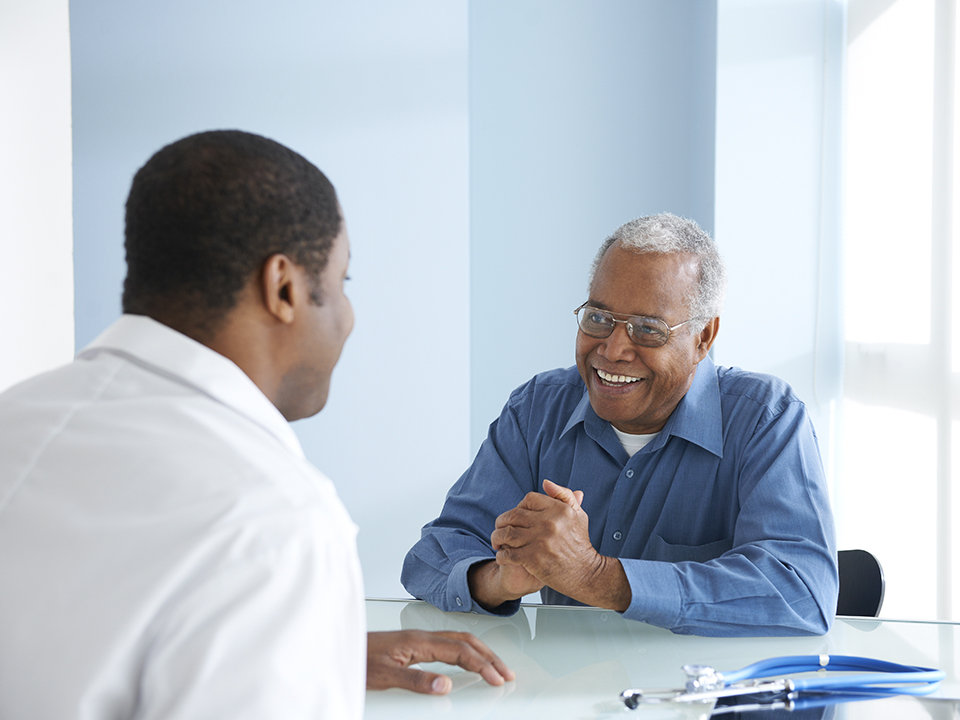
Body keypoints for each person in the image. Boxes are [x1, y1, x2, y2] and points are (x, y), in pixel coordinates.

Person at [0, 130, 512, 720]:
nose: (348, 317)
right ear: (284, 287)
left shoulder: (20, 419)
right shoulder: (271, 520)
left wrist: (294, 654)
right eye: (342, 283)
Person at [402, 213, 839, 637]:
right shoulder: (538, 408)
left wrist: (596, 576)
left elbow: (801, 591)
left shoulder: (767, 419)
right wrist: (500, 580)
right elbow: (432, 555)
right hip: (564, 697)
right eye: (598, 319)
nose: (612, 350)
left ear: (703, 337)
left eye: (647, 329)